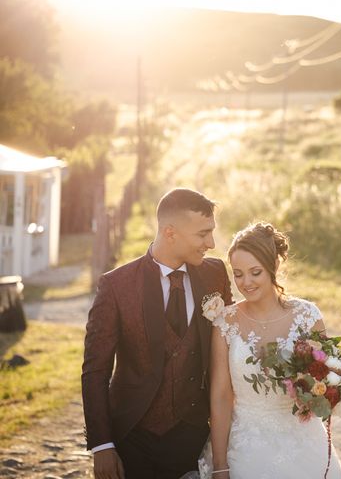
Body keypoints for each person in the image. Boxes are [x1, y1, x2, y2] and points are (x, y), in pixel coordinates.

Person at [82, 188, 233, 479]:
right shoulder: (117, 286)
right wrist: (102, 444)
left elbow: (231, 341)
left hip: (195, 435)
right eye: (203, 234)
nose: (211, 243)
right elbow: (95, 370)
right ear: (170, 232)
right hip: (133, 437)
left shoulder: (215, 274)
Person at [203, 222, 341, 478]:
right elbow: (221, 397)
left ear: (274, 266)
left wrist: (316, 393)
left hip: (303, 442)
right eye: (238, 273)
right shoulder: (226, 322)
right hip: (245, 445)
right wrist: (220, 463)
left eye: (255, 272)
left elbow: (325, 379)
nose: (245, 282)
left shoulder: (307, 316)